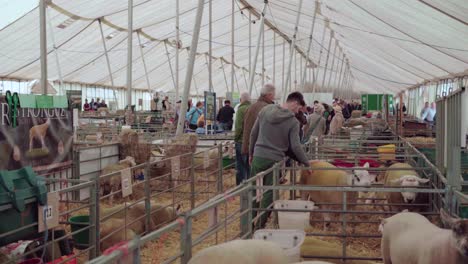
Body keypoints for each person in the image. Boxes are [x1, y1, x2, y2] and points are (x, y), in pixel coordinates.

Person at [249, 91, 309, 230]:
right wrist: (306, 162)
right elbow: (295, 146)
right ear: (294, 103)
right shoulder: (293, 122)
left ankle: (249, 225)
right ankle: (259, 226)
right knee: (269, 193)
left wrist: (251, 153)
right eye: (299, 108)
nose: (298, 111)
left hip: (259, 156)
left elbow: (253, 133)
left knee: (253, 190)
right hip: (275, 161)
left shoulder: (265, 110)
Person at [241, 83, 276, 157]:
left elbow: (244, 127)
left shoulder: (251, 107)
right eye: (273, 95)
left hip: (249, 147)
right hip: (262, 150)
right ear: (269, 95)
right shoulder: (268, 108)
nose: (274, 97)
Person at [234, 92, 251, 185]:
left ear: (241, 100)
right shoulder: (253, 108)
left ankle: (241, 185)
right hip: (252, 142)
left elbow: (239, 126)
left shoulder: (241, 110)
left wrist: (235, 138)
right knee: (249, 164)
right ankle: (249, 184)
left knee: (240, 165)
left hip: (241, 141)